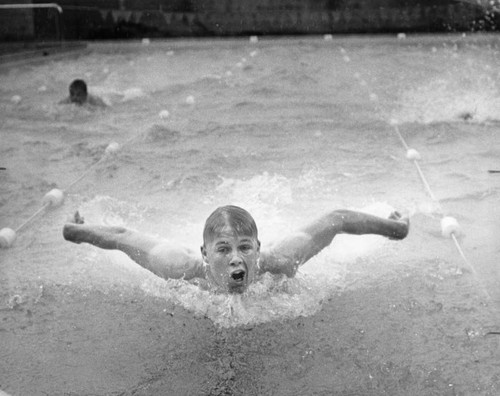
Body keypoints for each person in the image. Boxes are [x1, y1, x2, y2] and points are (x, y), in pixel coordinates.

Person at [63, 205, 409, 294]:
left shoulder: (280, 262)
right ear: (204, 254)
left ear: (258, 249)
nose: (236, 258)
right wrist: (76, 231)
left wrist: (396, 228)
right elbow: (123, 236)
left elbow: (337, 219)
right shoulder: (179, 268)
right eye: (223, 249)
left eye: (245, 247)